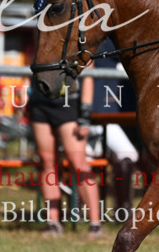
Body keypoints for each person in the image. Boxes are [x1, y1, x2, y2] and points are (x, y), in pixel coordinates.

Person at [27, 67, 104, 238]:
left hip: (69, 105)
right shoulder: (42, 40)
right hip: (40, 103)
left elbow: (88, 77)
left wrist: (84, 116)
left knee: (78, 163)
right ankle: (53, 223)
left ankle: (95, 224)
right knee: (48, 163)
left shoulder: (79, 42)